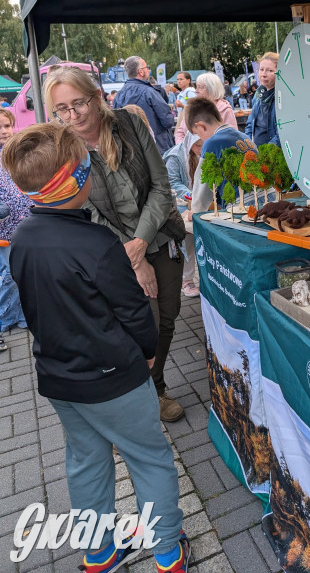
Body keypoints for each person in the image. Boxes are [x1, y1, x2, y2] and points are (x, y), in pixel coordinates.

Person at [4, 123, 191, 573]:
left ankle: (99, 552)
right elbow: (133, 313)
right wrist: (148, 352)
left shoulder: (22, 240)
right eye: (85, 163)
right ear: (75, 180)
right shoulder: (98, 244)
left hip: (61, 380)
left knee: (85, 464)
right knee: (149, 459)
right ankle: (167, 551)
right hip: (115, 381)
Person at [44, 67, 186, 423]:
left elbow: (160, 186)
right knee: (143, 325)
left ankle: (155, 386)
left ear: (96, 98)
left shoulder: (128, 124)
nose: (72, 115)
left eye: (78, 104)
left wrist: (141, 242)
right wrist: (134, 258)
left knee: (167, 319)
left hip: (159, 236)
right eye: (62, 109)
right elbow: (86, 209)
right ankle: (139, 398)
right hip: (111, 252)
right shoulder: (62, 148)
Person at [185, 98, 257, 214]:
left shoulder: (211, 143)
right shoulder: (244, 137)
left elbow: (202, 187)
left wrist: (195, 211)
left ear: (201, 126)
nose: (201, 139)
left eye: (198, 134)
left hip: (242, 206)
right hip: (267, 199)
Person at [0, 109, 32, 337]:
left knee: (23, 271)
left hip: (24, 223)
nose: (4, 132)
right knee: (7, 275)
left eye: (7, 126)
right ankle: (5, 317)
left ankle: (22, 315)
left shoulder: (16, 153)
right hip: (3, 229)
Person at [163, 132, 203, 298]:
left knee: (199, 241)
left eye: (203, 144)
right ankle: (186, 280)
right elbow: (172, 182)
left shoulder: (203, 154)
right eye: (198, 145)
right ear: (190, 142)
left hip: (200, 204)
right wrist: (192, 195)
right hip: (179, 205)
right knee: (186, 242)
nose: (201, 149)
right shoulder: (175, 157)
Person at [113, 56, 175, 153]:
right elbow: (168, 121)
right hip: (157, 149)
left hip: (132, 151)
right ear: (141, 71)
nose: (148, 70)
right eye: (147, 67)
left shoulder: (119, 96)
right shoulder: (150, 92)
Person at [174, 72, 237, 143]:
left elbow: (232, 137)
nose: (196, 91)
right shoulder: (192, 108)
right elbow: (180, 132)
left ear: (212, 89)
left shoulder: (225, 110)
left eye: (200, 87)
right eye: (196, 87)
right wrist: (185, 149)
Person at [244, 52, 280, 147]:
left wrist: (265, 153)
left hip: (272, 155)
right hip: (256, 152)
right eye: (261, 69)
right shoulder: (258, 95)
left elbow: (282, 133)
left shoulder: (282, 98)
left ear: (279, 72)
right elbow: (249, 124)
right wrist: (248, 145)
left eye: (270, 70)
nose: (264, 74)